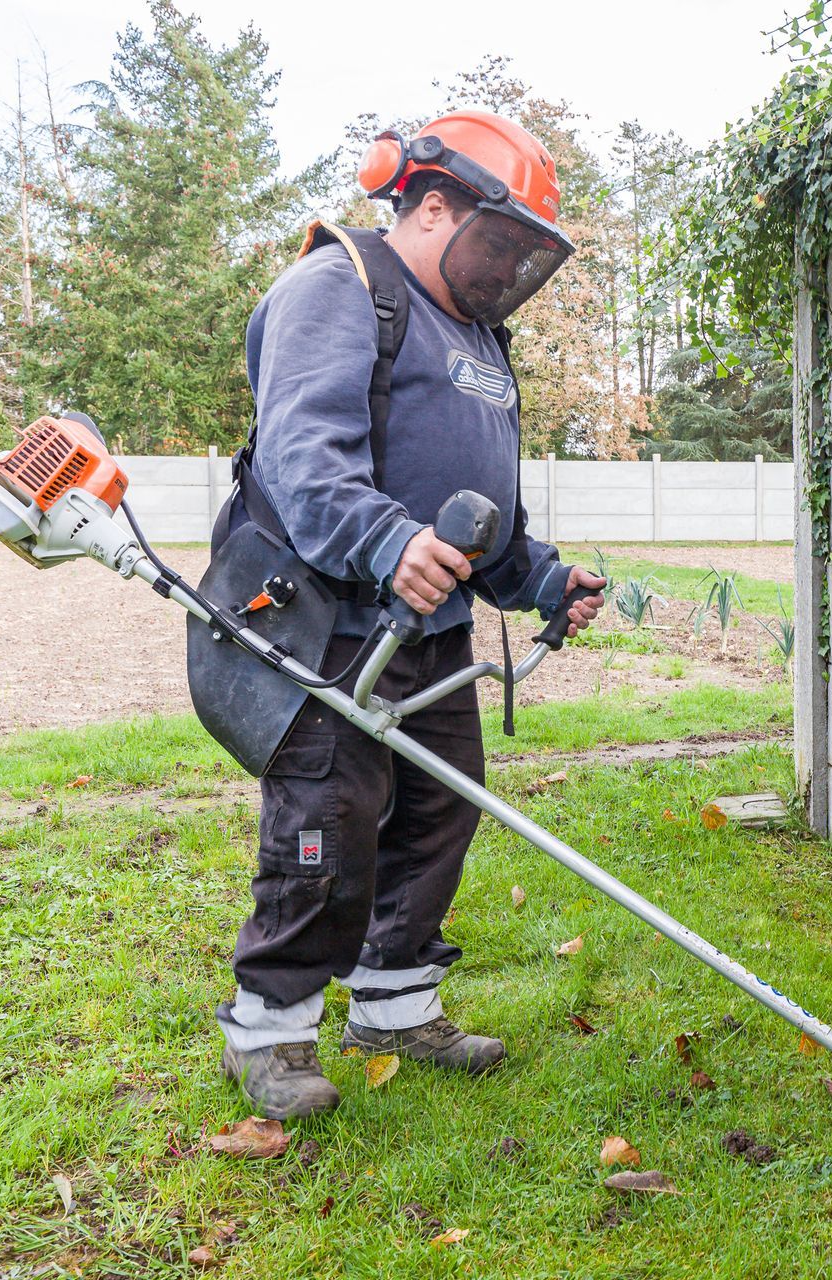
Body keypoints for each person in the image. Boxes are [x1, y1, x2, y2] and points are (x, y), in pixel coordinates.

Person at [214, 109, 605, 1118]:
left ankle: (393, 1002)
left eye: (527, 252)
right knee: (327, 819)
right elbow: (305, 460)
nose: (510, 265)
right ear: (432, 204)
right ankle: (270, 1029)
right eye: (502, 239)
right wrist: (388, 541)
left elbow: (489, 518)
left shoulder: (475, 337)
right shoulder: (339, 286)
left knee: (441, 803)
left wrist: (547, 580)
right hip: (325, 617)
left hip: (427, 629)